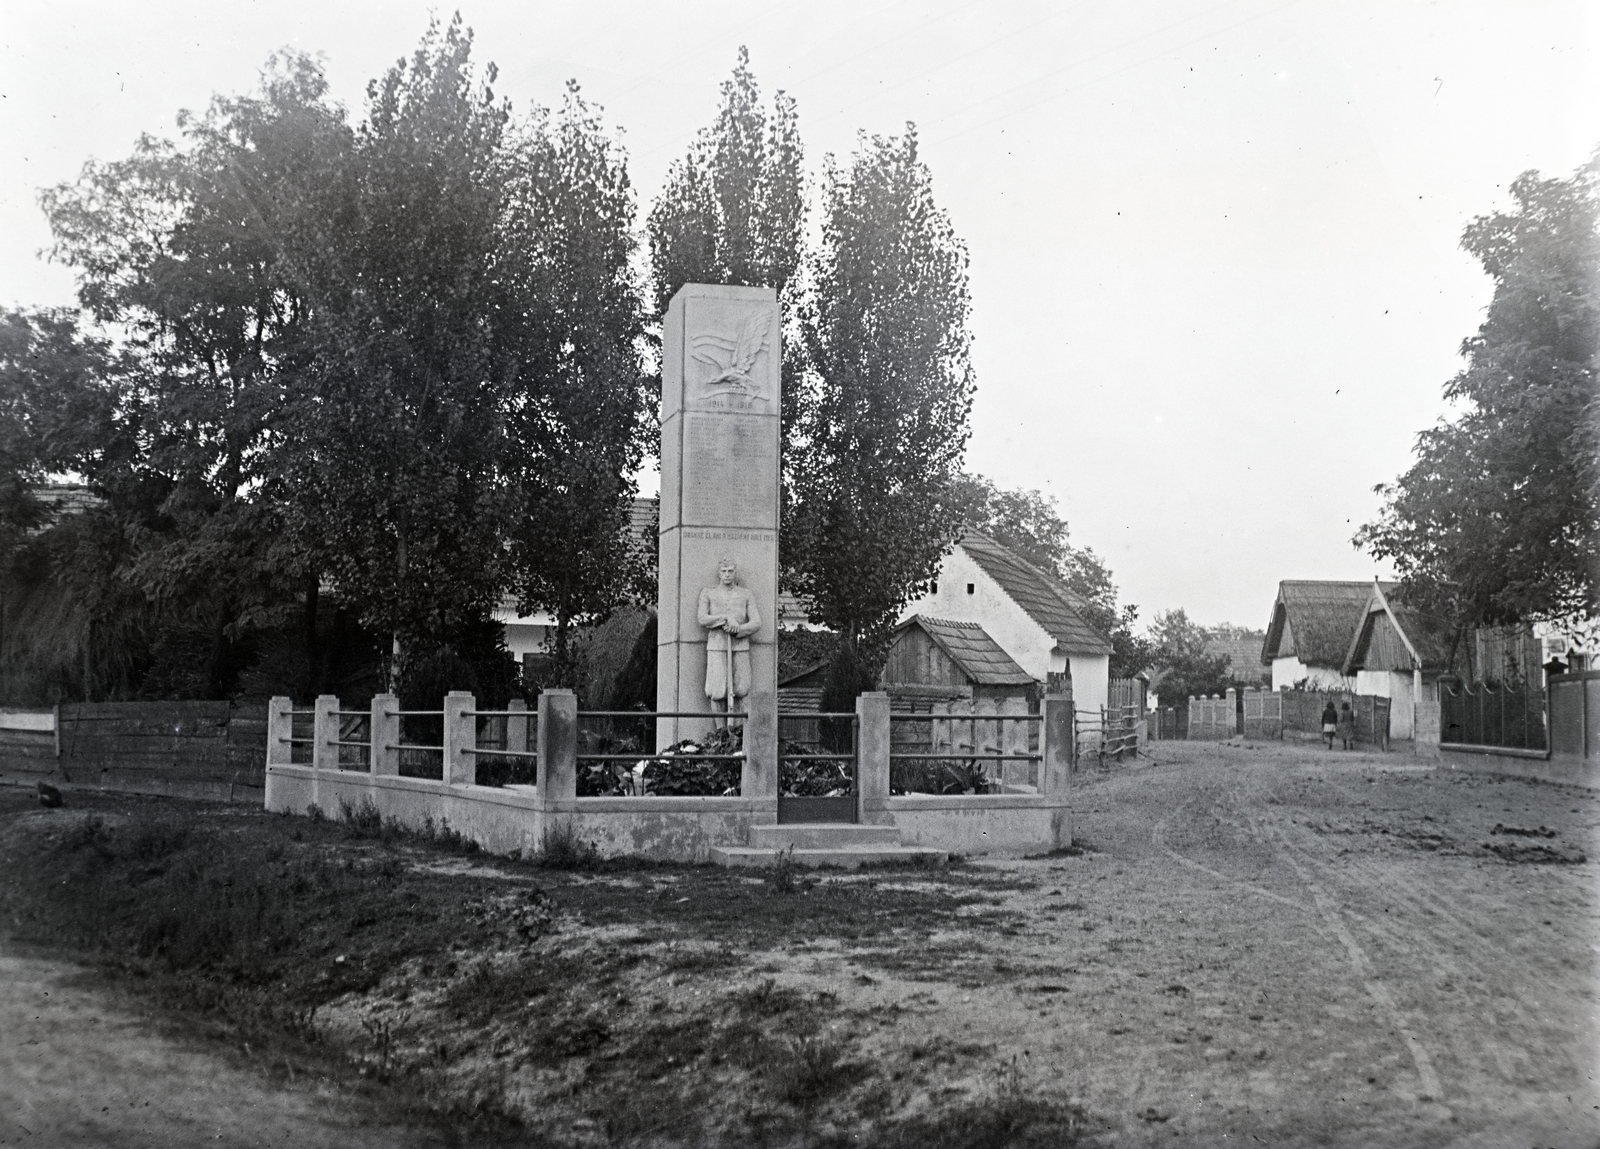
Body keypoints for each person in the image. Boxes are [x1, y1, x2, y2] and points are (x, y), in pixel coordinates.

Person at [696, 557, 760, 721]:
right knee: (717, 691)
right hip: (717, 645)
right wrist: (725, 619)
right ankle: (720, 735)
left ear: (735, 573)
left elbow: (756, 622)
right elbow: (702, 618)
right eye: (724, 571)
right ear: (719, 573)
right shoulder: (708, 592)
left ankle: (739, 735)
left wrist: (739, 629)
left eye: (730, 571)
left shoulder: (745, 594)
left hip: (740, 646)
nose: (727, 574)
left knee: (741, 690)